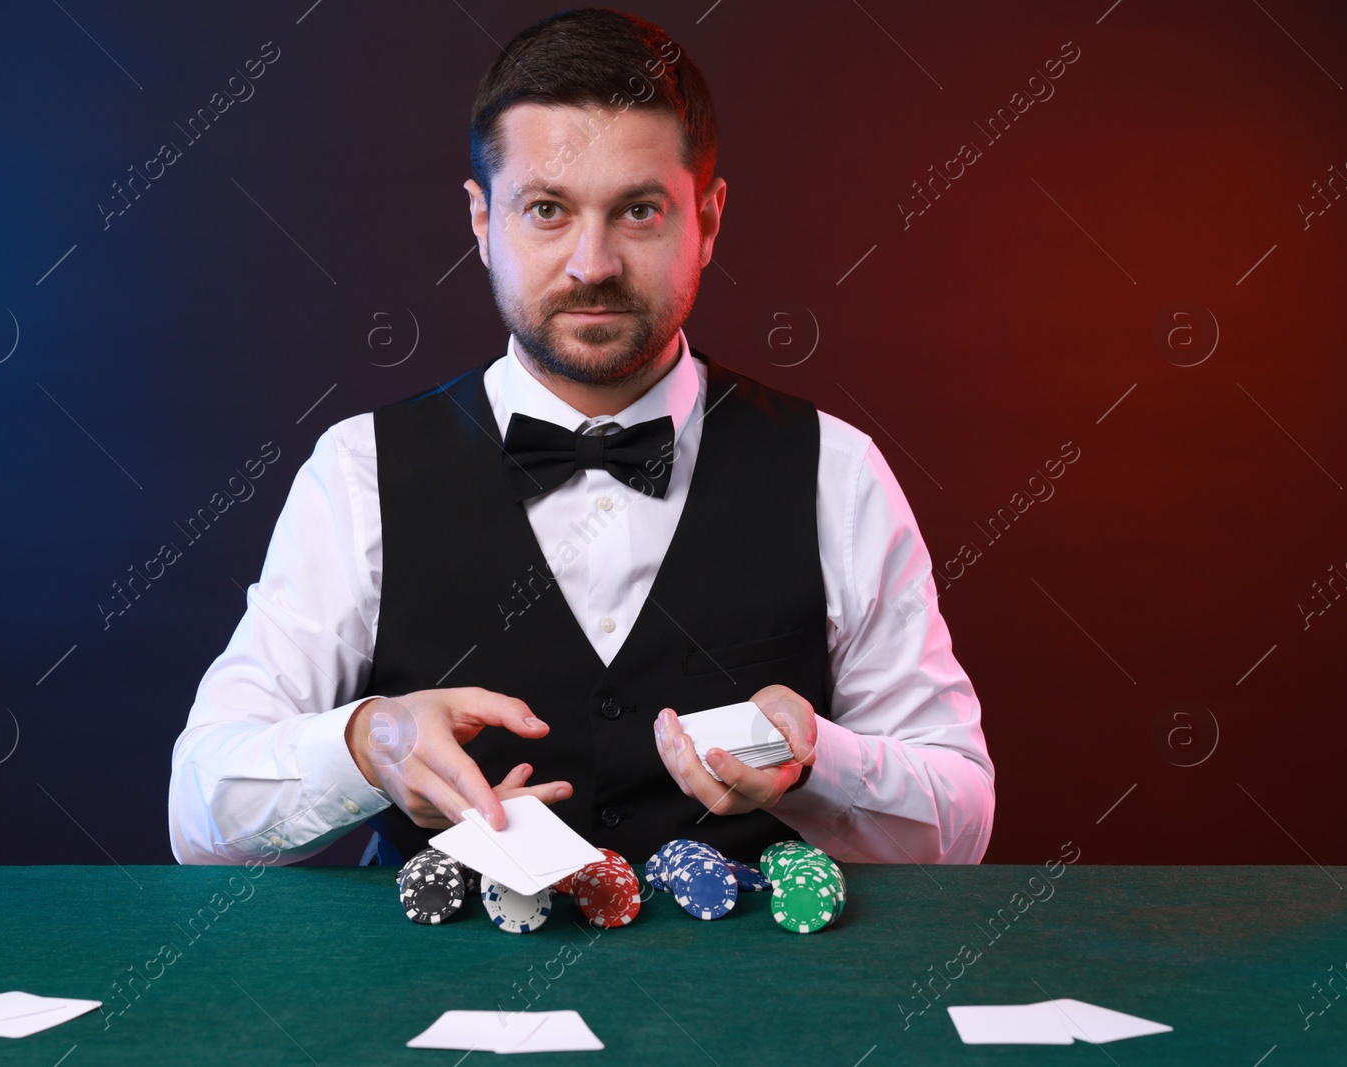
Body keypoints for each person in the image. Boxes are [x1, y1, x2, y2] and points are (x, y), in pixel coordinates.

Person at [168, 8, 993, 868]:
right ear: (484, 221)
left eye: (638, 211)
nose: (592, 263)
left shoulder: (838, 471)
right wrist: (366, 744)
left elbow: (963, 820)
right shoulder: (358, 471)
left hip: (759, 997)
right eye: (548, 210)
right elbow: (199, 813)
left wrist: (823, 755)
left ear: (707, 220)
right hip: (439, 997)